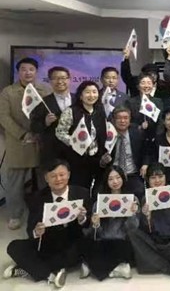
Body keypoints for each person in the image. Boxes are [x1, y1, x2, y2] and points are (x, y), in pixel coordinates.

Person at [4, 159, 89, 288]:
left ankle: (27, 269)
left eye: (62, 175)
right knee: (14, 246)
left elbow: (88, 226)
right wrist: (36, 231)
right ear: (46, 178)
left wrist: (82, 219)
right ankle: (51, 274)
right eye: (53, 176)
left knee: (81, 250)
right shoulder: (38, 198)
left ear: (69, 175)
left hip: (71, 242)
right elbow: (30, 229)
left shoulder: (81, 193)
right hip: (47, 243)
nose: (58, 179)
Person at [0, 57, 50, 230]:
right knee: (15, 183)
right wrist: (23, 134)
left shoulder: (44, 90)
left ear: (36, 72)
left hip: (41, 142)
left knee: (46, 180)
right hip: (19, 143)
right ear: (18, 71)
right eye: (23, 69)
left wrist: (41, 132)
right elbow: (4, 117)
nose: (27, 72)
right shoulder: (8, 92)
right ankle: (15, 214)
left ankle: (46, 213)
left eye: (31, 69)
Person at [127, 163, 170, 278]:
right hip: (155, 242)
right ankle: (168, 267)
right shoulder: (145, 198)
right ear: (148, 180)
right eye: (153, 178)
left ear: (165, 177)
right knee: (132, 233)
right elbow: (145, 230)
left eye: (160, 176)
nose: (157, 180)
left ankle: (153, 261)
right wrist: (145, 216)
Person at [80, 166, 139, 280]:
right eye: (110, 179)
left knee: (125, 248)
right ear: (106, 182)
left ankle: (92, 267)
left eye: (118, 177)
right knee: (89, 244)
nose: (115, 182)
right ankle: (116, 269)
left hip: (122, 241)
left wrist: (132, 214)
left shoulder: (132, 199)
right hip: (103, 241)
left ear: (123, 178)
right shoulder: (99, 203)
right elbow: (96, 233)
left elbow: (134, 228)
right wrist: (95, 224)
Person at [55, 80, 107, 188]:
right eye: (87, 92)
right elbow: (60, 132)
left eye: (94, 92)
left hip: (96, 158)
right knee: (80, 189)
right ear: (80, 95)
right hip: (76, 159)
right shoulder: (71, 111)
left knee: (98, 188)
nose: (91, 95)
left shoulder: (100, 111)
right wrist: (76, 143)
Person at [30, 66, 75, 168]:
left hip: (76, 151)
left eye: (63, 78)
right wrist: (45, 122)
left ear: (69, 80)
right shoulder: (43, 102)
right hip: (52, 152)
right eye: (55, 78)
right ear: (50, 81)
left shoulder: (79, 100)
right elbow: (34, 127)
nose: (60, 81)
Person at [101, 105, 149, 198]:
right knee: (98, 194)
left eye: (126, 118)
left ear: (130, 119)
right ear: (114, 120)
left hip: (132, 174)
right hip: (112, 176)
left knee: (140, 192)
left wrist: (145, 164)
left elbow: (147, 151)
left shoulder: (137, 133)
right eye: (119, 118)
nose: (123, 121)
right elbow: (100, 161)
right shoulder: (107, 135)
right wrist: (103, 161)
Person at [125, 73, 164, 145]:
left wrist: (158, 137)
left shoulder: (158, 101)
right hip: (136, 139)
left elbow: (161, 121)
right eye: (143, 83)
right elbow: (127, 121)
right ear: (138, 86)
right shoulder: (130, 102)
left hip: (154, 140)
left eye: (149, 83)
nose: (146, 86)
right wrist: (139, 127)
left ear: (153, 85)